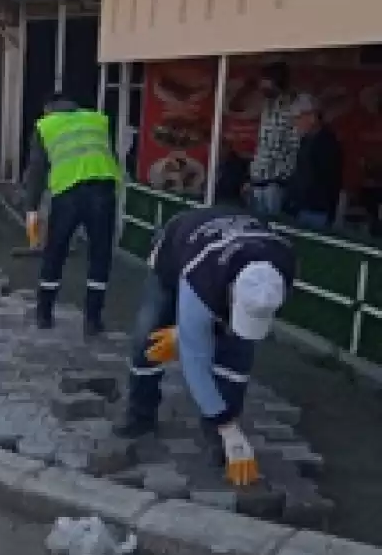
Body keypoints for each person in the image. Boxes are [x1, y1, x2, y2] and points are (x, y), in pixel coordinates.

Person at [117, 206, 296, 486]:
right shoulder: (204, 274)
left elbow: (231, 329)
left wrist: (228, 428)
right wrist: (186, 334)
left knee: (237, 352)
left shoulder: (281, 267)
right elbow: (194, 362)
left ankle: (217, 435)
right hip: (179, 251)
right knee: (148, 337)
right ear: (232, 293)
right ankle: (141, 413)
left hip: (225, 252)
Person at [23, 95, 122, 336]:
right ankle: (93, 319)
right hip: (103, 191)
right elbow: (112, 156)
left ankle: (44, 314)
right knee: (100, 256)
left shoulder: (46, 126)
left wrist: (31, 208)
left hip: (68, 194)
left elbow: (36, 170)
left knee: (55, 252)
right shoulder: (97, 120)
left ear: (48, 110)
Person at [248, 61, 299, 216]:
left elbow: (286, 146)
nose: (261, 85)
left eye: (264, 80)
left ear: (275, 80)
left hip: (275, 183)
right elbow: (262, 146)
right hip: (259, 181)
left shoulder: (290, 106)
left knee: (272, 224)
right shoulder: (267, 106)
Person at [286, 93, 343, 230]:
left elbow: (327, 180)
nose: (295, 123)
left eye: (299, 118)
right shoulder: (305, 140)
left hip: (317, 210)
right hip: (301, 207)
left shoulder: (326, 143)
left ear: (312, 117)